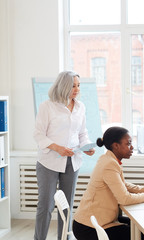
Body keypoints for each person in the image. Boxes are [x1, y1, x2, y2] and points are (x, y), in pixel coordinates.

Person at [33, 71, 95, 240]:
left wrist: (86, 146)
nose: (77, 89)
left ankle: (65, 238)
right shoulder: (47, 106)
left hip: (72, 161)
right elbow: (38, 134)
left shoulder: (80, 107)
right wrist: (57, 148)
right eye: (73, 86)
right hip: (49, 161)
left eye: (78, 85)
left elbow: (82, 134)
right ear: (63, 86)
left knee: (66, 207)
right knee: (46, 206)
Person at [73, 127, 144, 240]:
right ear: (116, 145)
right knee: (143, 234)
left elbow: (123, 185)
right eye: (128, 143)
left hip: (98, 221)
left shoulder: (107, 159)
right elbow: (125, 199)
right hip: (89, 228)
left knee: (141, 226)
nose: (132, 147)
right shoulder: (109, 164)